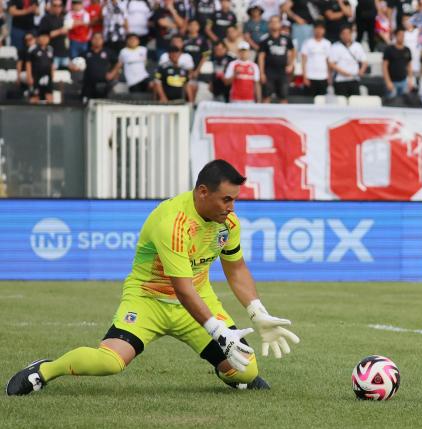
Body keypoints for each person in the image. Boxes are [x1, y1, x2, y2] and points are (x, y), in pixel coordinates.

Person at [6, 160, 300, 397]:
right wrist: (219, 332)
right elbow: (181, 289)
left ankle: (225, 369)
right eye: (226, 199)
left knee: (246, 371)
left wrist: (257, 312)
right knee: (110, 362)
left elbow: (236, 269)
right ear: (202, 193)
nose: (232, 207)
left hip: (198, 298)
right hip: (149, 300)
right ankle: (45, 370)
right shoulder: (172, 222)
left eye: (234, 199)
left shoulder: (228, 223)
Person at [258, 15, 295, 104]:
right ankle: (265, 116)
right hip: (269, 72)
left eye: (276, 22)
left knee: (283, 97)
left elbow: (293, 51)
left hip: (282, 72)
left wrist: (290, 64)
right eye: (272, 22)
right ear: (269, 24)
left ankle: (283, 116)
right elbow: (261, 57)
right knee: (266, 96)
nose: (274, 24)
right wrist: (261, 73)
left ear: (280, 24)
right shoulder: (265, 40)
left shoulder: (286, 38)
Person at [329, 25, 367, 97]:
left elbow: (364, 61)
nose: (346, 36)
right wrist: (343, 72)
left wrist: (361, 71)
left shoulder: (357, 46)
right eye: (344, 33)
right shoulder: (335, 46)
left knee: (355, 102)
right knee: (341, 102)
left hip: (354, 79)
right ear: (340, 35)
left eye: (348, 33)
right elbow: (331, 63)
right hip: (340, 80)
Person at [79, 32, 118, 101]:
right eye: (95, 38)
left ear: (103, 40)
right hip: (88, 85)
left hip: (103, 84)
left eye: (99, 38)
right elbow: (77, 64)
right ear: (91, 40)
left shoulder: (108, 52)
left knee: (102, 104)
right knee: (85, 104)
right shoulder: (85, 53)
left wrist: (113, 73)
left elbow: (118, 62)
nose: (97, 40)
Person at [301, 21, 332, 96]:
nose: (319, 31)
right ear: (313, 29)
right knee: (310, 101)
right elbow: (303, 60)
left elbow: (329, 61)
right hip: (310, 76)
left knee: (322, 101)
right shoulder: (307, 42)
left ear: (324, 30)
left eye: (321, 29)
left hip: (323, 77)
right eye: (317, 28)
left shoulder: (327, 43)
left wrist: (329, 76)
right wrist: (305, 76)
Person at [38, 0, 70, 69]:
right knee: (52, 75)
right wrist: (60, 31)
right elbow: (42, 36)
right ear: (51, 6)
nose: (57, 8)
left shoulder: (63, 18)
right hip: (52, 53)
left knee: (66, 76)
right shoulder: (45, 19)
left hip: (64, 53)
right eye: (55, 5)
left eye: (59, 5)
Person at [383, 28, 413, 98]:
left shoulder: (407, 50)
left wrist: (410, 80)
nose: (402, 37)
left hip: (404, 81)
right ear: (396, 36)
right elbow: (384, 66)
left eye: (403, 35)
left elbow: (409, 66)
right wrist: (388, 81)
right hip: (392, 82)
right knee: (392, 103)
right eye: (400, 35)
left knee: (404, 103)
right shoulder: (389, 49)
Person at [26, 31, 55, 104]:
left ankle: (49, 114)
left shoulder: (50, 49)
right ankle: (33, 114)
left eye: (46, 37)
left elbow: (51, 63)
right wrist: (29, 76)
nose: (45, 39)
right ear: (38, 38)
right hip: (36, 76)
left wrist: (52, 74)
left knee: (49, 95)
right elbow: (28, 63)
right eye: (43, 37)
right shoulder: (33, 49)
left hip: (47, 76)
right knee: (35, 96)